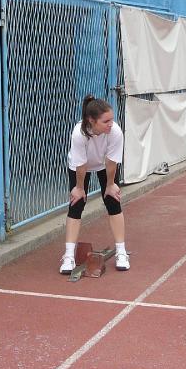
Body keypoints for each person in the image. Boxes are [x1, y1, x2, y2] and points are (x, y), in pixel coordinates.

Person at [60, 95, 130, 274]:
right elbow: (81, 165)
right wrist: (79, 188)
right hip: (79, 166)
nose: (110, 124)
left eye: (112, 119)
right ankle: (68, 256)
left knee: (113, 201)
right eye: (106, 121)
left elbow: (112, 162)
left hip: (103, 165)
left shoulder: (115, 132)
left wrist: (110, 185)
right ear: (92, 121)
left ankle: (121, 252)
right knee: (76, 204)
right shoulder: (79, 133)